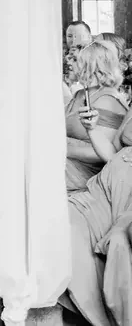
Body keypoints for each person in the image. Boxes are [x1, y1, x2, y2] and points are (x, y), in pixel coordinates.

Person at [63, 102, 132, 325]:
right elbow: (112, 153)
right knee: (62, 221)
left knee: (118, 245)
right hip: (104, 188)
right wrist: (92, 129)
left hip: (127, 200)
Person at [64, 41, 128, 191]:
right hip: (70, 163)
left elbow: (102, 155)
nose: (68, 62)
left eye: (75, 60)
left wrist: (60, 149)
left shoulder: (108, 100)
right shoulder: (80, 94)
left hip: (87, 173)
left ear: (92, 66)